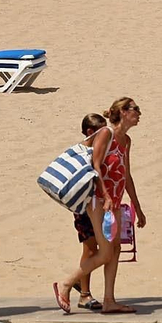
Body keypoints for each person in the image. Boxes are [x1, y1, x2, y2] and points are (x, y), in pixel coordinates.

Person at [53, 97, 145, 315]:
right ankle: (66, 284)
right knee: (104, 252)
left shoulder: (127, 140)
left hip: (114, 200)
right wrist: (105, 194)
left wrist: (137, 207)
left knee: (115, 250)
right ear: (123, 112)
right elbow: (95, 165)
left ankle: (109, 300)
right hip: (98, 200)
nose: (139, 113)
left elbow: (126, 174)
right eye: (135, 109)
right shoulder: (106, 134)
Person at [65, 111, 109, 312]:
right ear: (90, 131)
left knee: (93, 248)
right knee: (91, 248)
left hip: (94, 205)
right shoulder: (83, 153)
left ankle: (81, 282)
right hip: (83, 207)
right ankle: (83, 293)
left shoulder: (96, 151)